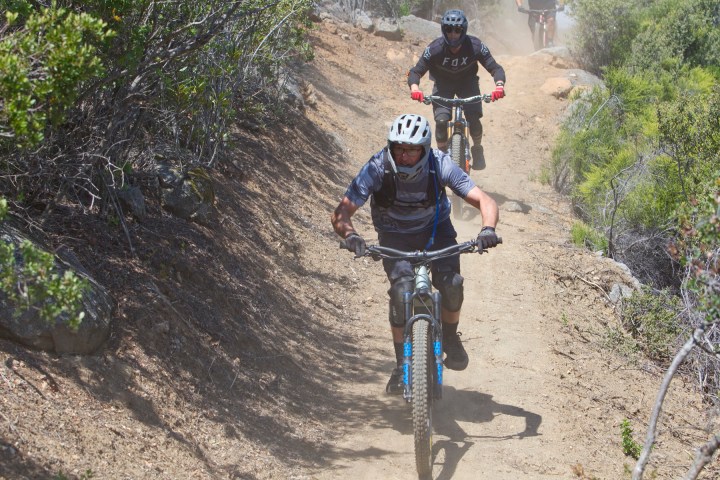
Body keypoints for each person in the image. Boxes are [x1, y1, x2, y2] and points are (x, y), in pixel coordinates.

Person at [330, 113, 501, 394]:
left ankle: (449, 338)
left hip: (436, 232)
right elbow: (342, 212)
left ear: (424, 149)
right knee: (401, 292)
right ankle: (401, 367)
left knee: (452, 285)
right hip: (394, 236)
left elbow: (484, 200)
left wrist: (487, 229)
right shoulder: (377, 167)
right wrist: (351, 236)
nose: (405, 155)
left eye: (411, 150)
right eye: (399, 148)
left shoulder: (440, 163)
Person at [407, 9, 506, 171]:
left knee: (473, 119)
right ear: (444, 30)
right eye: (449, 29)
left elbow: (495, 67)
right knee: (440, 122)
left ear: (463, 30)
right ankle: (442, 158)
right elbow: (416, 71)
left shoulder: (475, 46)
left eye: (457, 30)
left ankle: (477, 148)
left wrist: (499, 86)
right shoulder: (434, 49)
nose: (453, 34)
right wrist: (415, 88)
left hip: (468, 83)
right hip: (443, 84)